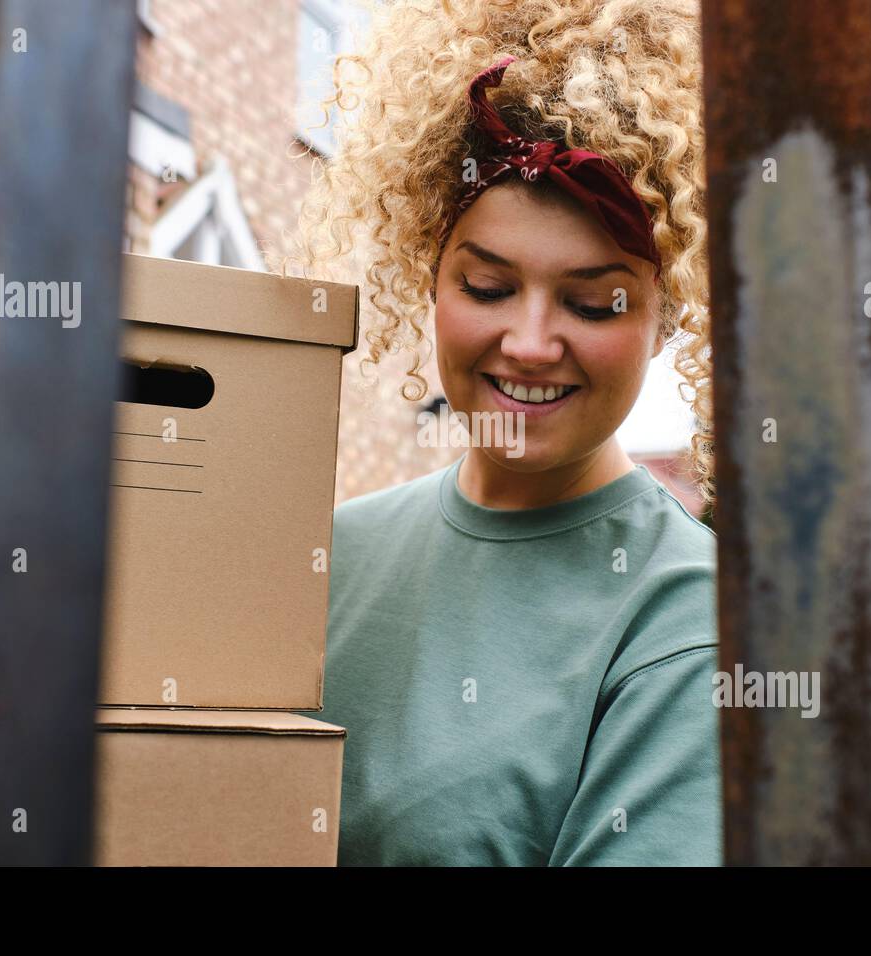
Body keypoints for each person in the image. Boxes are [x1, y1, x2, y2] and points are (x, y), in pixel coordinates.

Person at [285, 0, 717, 865]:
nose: (528, 343)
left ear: (668, 319)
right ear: (429, 274)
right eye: (486, 287)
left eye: (594, 302)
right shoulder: (326, 559)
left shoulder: (688, 619)